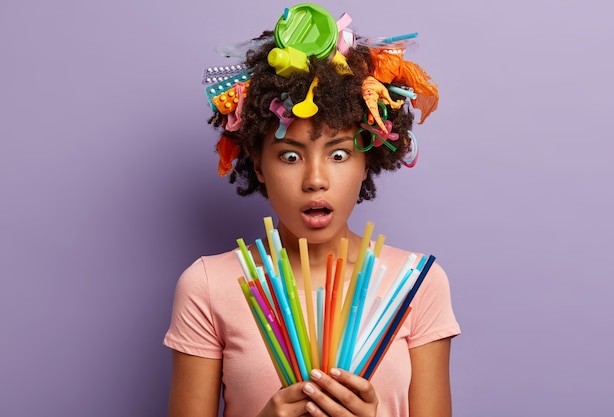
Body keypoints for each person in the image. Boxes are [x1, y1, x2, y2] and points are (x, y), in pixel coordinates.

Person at [164, 4, 460, 416]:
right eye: (290, 156)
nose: (315, 179)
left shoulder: (417, 283)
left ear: (368, 160)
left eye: (338, 155)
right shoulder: (208, 285)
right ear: (258, 162)